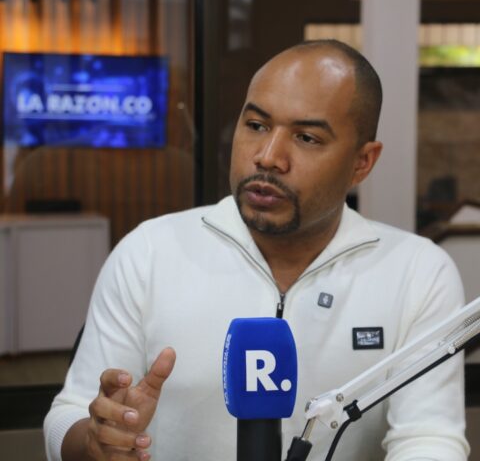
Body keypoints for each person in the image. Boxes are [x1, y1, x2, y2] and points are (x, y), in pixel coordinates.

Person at [44, 40, 470, 461]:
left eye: (306, 137)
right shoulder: (150, 251)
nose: (268, 157)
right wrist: (96, 441)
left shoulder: (417, 271)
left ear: (362, 162)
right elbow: (70, 414)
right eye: (257, 126)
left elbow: (429, 438)